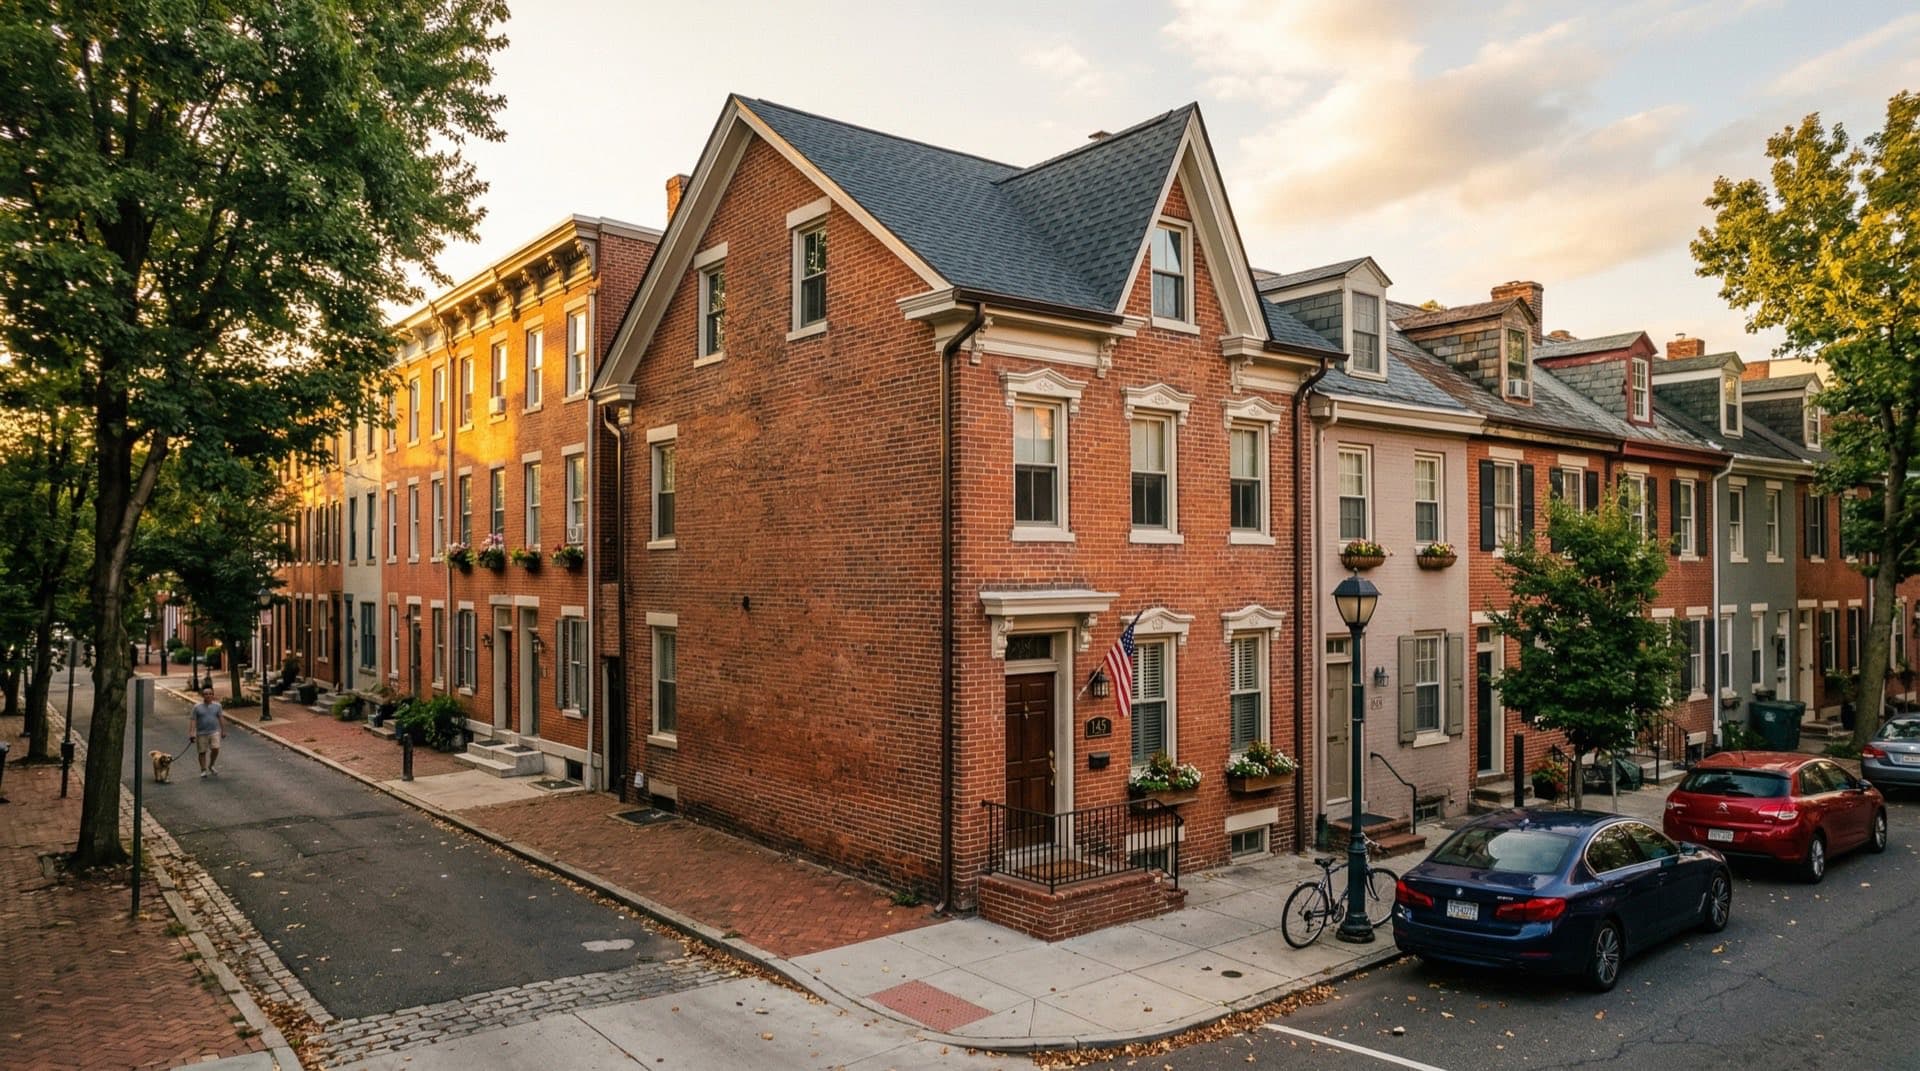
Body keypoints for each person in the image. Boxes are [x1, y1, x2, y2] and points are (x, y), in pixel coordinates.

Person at [189, 686, 224, 778]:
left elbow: (220, 718)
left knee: (216, 748)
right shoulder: (197, 707)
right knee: (202, 752)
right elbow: (193, 720)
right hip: (201, 733)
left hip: (214, 731)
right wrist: (192, 733)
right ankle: (203, 770)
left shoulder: (218, 706)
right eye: (206, 694)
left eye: (210, 694)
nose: (208, 696)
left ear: (213, 695)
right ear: (202, 696)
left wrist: (223, 730)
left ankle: (211, 765)